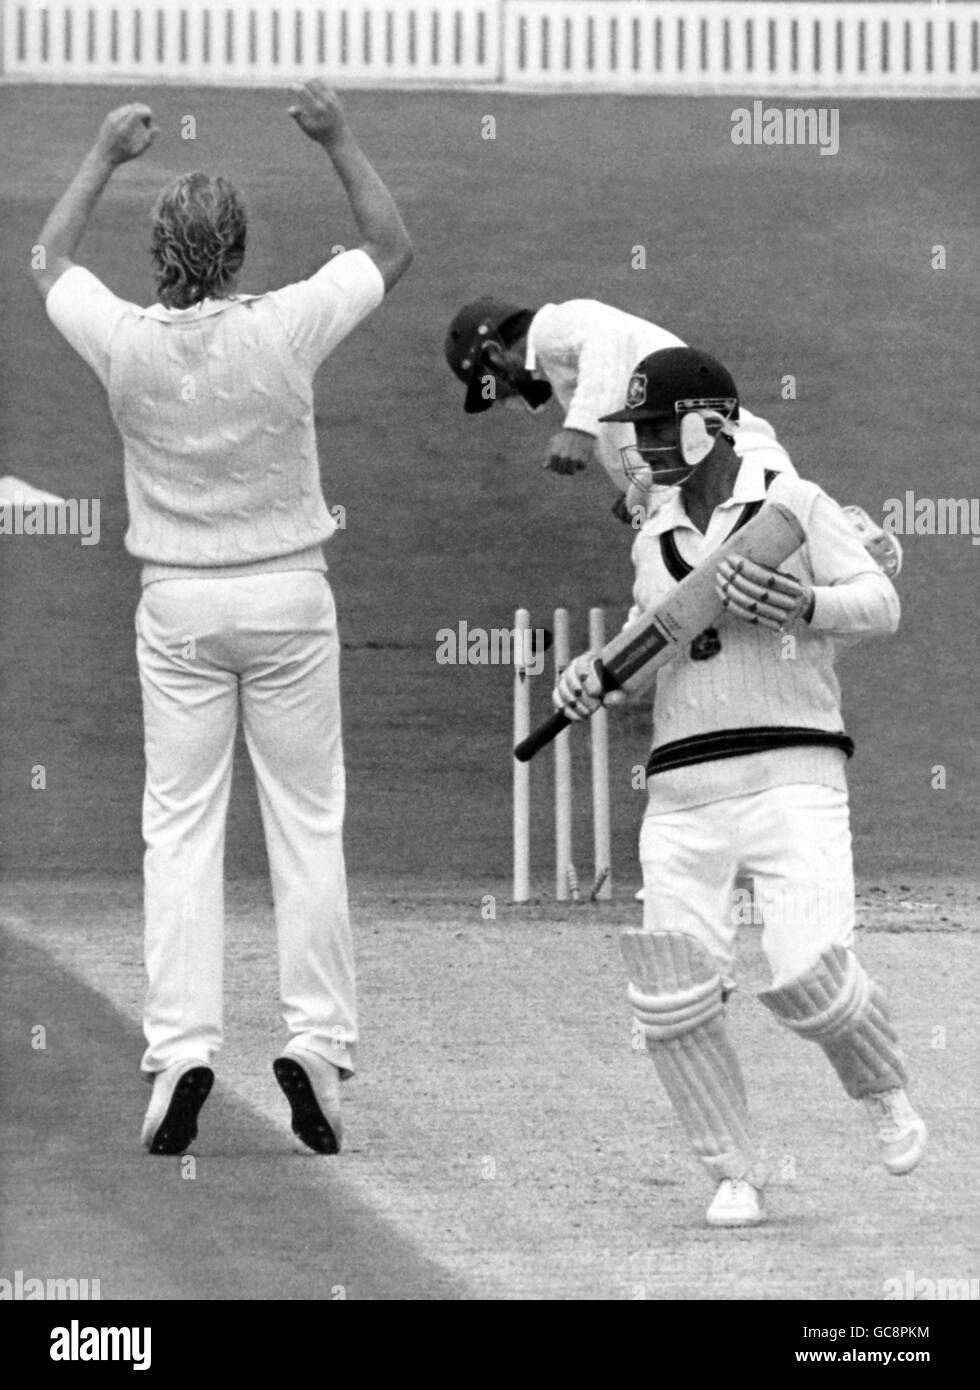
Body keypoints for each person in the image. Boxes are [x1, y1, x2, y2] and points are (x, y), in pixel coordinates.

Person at [32, 82, 412, 1155]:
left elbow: (48, 266)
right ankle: (319, 1047)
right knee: (306, 823)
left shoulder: (127, 342)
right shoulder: (283, 325)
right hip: (288, 592)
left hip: (179, 605)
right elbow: (389, 247)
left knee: (181, 827)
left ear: (159, 250)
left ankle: (182, 1050)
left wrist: (103, 156)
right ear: (239, 252)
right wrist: (338, 137)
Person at [552, 346, 926, 1227]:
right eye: (635, 428)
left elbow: (881, 602)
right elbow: (656, 648)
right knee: (670, 995)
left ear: (710, 421)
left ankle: (881, 1089)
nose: (641, 444)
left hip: (795, 770)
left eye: (655, 425)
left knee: (811, 972)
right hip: (683, 786)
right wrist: (594, 677)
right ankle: (733, 1171)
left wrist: (801, 609)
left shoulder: (791, 504)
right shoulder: (653, 533)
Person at [443, 296, 796, 524]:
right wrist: (634, 495)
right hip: (706, 479)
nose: (502, 399)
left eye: (491, 387)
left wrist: (579, 429)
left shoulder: (553, 328)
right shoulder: (561, 361)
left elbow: (604, 337)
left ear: (494, 354)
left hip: (733, 470)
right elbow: (628, 408)